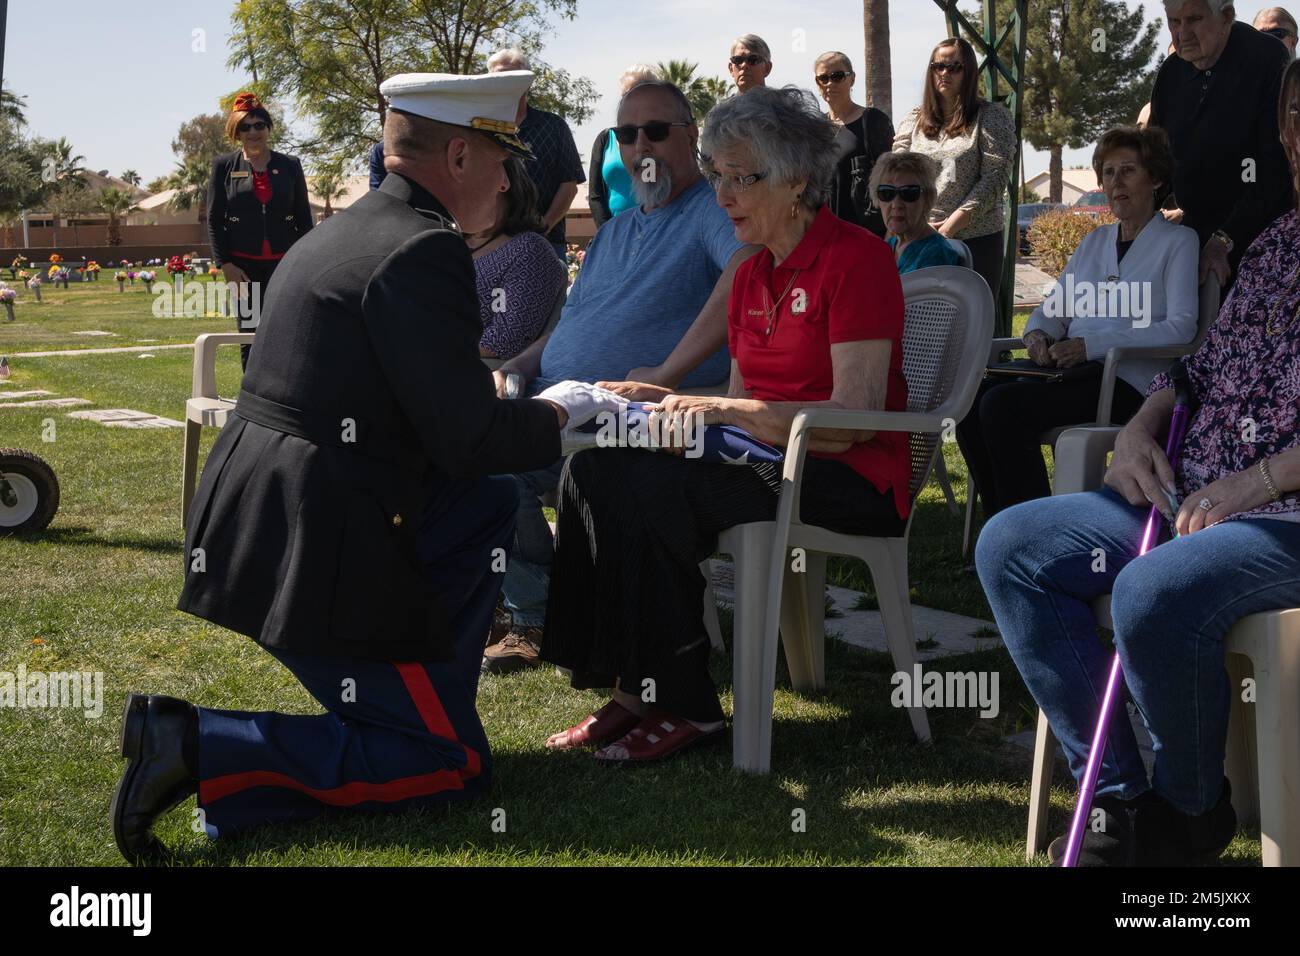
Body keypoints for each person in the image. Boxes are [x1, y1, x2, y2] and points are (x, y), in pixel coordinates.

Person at [110, 71, 624, 862]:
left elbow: (426, 419)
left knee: (486, 506)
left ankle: (425, 707)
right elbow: (469, 439)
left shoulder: (347, 229)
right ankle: (196, 743)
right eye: (500, 156)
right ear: (458, 154)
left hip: (277, 514)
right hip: (315, 539)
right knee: (449, 768)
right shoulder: (423, 249)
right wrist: (568, 411)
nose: (508, 177)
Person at [976, 59, 1300, 867]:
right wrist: (1141, 425)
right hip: (1194, 493)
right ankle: (1118, 795)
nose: (1297, 133)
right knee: (1012, 546)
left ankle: (1189, 810)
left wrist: (1255, 483)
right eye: (1293, 113)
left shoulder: (1192, 241)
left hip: (1281, 514)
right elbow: (1198, 365)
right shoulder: (1277, 245)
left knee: (1151, 586)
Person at [539, 85, 911, 764]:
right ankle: (632, 687)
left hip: (846, 473)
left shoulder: (856, 259)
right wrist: (650, 406)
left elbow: (852, 421)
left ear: (798, 180)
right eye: (719, 176)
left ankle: (686, 704)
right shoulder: (749, 277)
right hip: (767, 458)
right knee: (594, 468)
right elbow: (741, 408)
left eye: (745, 178)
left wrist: (714, 410)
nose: (725, 195)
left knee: (653, 491)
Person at [482, 79, 756, 675]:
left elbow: (747, 273)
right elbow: (571, 323)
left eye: (656, 131)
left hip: (631, 424)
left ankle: (533, 615)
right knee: (464, 450)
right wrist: (521, 364)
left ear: (691, 137)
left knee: (495, 464)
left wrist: (667, 373)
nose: (641, 146)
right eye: (627, 134)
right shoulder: (613, 231)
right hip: (559, 404)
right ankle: (520, 600)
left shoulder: (711, 209)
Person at [959, 125, 1198, 520]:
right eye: (1108, 172)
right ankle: (999, 521)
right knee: (972, 400)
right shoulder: (1095, 242)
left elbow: (1182, 328)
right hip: (1074, 375)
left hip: (1128, 384)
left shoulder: (1179, 242)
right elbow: (1053, 309)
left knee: (1003, 405)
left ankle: (1033, 529)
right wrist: (1038, 334)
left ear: (1155, 178)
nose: (1116, 182)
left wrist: (1091, 347)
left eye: (1128, 170)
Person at [371, 50, 585, 262]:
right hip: (480, 241)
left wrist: (541, 229)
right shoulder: (477, 128)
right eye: (498, 77)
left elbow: (568, 185)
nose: (505, 183)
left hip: (543, 237)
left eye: (511, 78)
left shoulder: (553, 126)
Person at [1150, 1, 1292, 286]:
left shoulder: (1265, 58)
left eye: (1193, 20)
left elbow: (1273, 170)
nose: (1182, 33)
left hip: (1262, 237)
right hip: (1194, 232)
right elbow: (1155, 162)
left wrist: (1225, 239)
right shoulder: (1171, 72)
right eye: (1174, 21)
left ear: (1226, 18)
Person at [893, 37, 1017, 325]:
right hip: (917, 238)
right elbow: (895, 172)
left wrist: (949, 227)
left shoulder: (991, 117)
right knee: (919, 327)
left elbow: (995, 179)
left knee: (969, 329)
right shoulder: (913, 120)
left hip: (975, 241)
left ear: (969, 72)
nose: (944, 73)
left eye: (953, 67)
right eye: (937, 66)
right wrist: (919, 226)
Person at [207, 92, 313, 370]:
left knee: (285, 331)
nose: (253, 132)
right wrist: (225, 265)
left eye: (259, 125)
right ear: (236, 131)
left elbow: (304, 218)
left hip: (285, 265)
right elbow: (214, 220)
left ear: (268, 128)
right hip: (243, 268)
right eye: (245, 126)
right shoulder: (223, 167)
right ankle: (251, 400)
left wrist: (305, 263)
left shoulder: (289, 165)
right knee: (250, 334)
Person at [469, 157, 568, 359]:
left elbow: (504, 341)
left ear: (503, 182)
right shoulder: (447, 241)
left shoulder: (529, 250)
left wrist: (430, 345)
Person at [814, 50, 895, 236]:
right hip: (824, 232)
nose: (829, 84)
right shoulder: (816, 128)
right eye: (823, 78)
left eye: (837, 76)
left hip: (865, 231)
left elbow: (890, 177)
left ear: (852, 79)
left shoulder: (873, 120)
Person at [587, 64, 660, 228]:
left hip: (655, 229)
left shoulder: (661, 137)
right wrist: (606, 232)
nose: (633, 100)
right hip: (614, 231)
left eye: (641, 92)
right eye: (628, 94)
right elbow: (595, 194)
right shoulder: (606, 138)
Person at [870, 151, 962, 272]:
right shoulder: (890, 245)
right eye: (886, 192)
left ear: (927, 199)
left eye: (909, 193)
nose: (896, 204)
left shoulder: (936, 255)